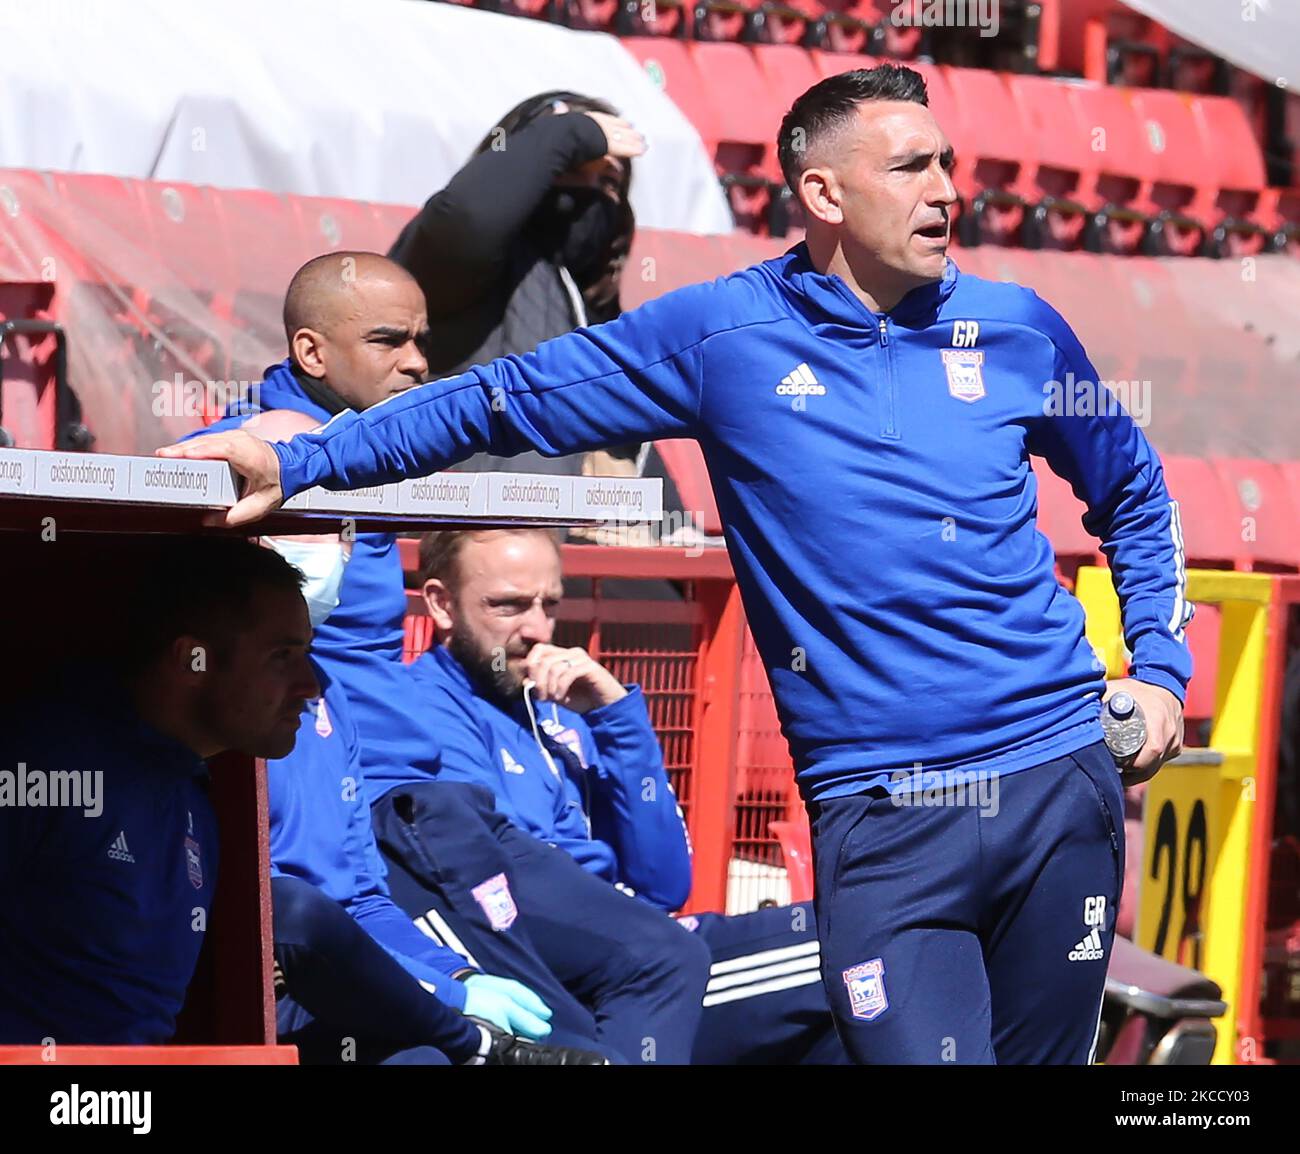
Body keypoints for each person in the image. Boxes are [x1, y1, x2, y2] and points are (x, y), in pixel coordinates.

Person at [163, 64, 1191, 1065]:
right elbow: (496, 400)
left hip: (1054, 777)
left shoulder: (1017, 330)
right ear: (822, 193)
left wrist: (1157, 666)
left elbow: (1134, 492)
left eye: (947, 162)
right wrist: (299, 457)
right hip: (880, 815)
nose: (946, 190)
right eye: (912, 167)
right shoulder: (723, 335)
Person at [191, 253, 709, 1064]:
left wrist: (616, 716)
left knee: (663, 962)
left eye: (422, 340)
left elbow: (667, 882)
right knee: (592, 1006)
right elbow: (163, 490)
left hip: (391, 812)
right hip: (396, 823)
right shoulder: (263, 453)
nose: (417, 362)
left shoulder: (377, 455)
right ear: (313, 352)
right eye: (389, 340)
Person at [407, 526, 846, 1064]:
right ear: (441, 603)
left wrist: (618, 718)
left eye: (550, 603)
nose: (537, 629)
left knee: (860, 969)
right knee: (850, 951)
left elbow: (664, 881)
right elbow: (512, 892)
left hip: (655, 948)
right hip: (595, 980)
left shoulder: (559, 708)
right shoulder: (423, 714)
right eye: (508, 606)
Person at [0, 537, 318, 1044]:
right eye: (282, 656)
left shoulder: (191, 793)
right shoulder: (43, 763)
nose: (310, 684)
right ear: (192, 660)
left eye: (306, 652)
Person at [388, 89, 645, 479]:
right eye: (570, 167)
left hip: (558, 536)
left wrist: (663, 519)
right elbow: (471, 218)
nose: (589, 192)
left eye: (608, 180)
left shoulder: (603, 317)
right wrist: (569, 133)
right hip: (456, 534)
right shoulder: (448, 269)